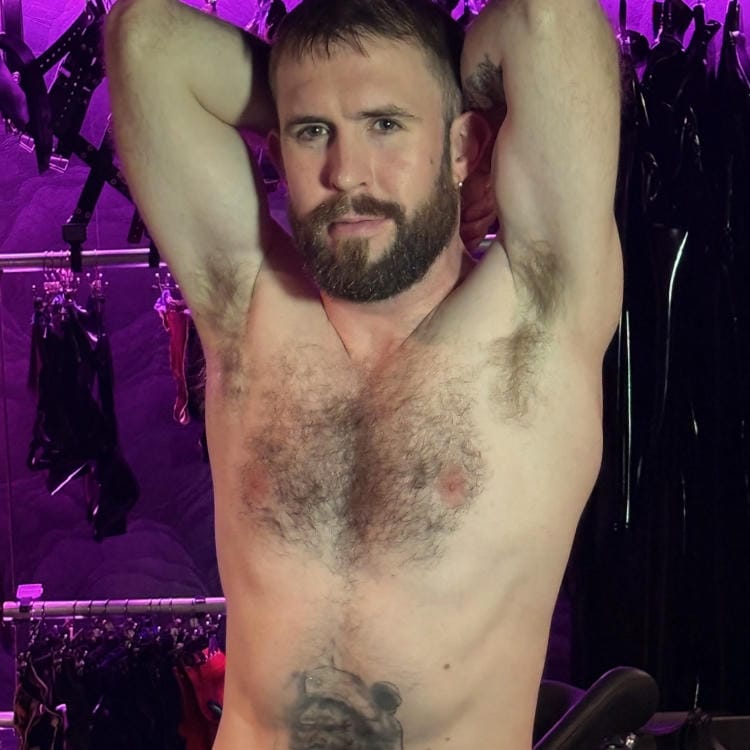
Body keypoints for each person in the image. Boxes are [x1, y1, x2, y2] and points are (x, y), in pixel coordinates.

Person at [104, 0, 622, 747]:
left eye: (385, 124)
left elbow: (551, 16)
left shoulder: (538, 322)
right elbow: (145, 38)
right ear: (278, 151)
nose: (346, 173)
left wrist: (447, 86)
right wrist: (323, 89)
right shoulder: (248, 315)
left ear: (462, 147)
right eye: (313, 132)